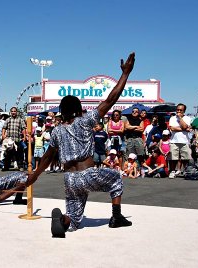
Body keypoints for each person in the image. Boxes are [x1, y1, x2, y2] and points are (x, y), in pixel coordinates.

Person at [25, 52, 135, 238]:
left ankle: (64, 221)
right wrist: (125, 74)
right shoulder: (85, 121)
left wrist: (34, 176)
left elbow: (47, 157)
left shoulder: (56, 131)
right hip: (88, 174)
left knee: (75, 218)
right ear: (78, 109)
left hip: (70, 179)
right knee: (116, 178)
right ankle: (116, 217)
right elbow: (110, 99)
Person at [168, 103, 192, 179]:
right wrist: (184, 129)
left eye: (180, 110)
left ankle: (185, 171)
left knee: (185, 158)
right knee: (173, 158)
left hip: (184, 141)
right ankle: (172, 171)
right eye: (177, 110)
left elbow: (185, 126)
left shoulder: (188, 118)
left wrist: (180, 119)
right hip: (174, 141)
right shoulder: (172, 118)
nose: (178, 111)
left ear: (184, 111)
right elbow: (172, 128)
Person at [2, 107, 27, 171]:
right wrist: (3, 135)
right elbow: (4, 128)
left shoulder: (20, 120)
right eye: (12, 111)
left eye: (14, 111)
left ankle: (20, 166)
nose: (13, 112)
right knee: (8, 154)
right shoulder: (8, 120)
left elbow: (24, 128)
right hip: (9, 140)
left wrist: (24, 136)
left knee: (19, 154)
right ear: (10, 112)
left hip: (17, 139)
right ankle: (6, 166)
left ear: (17, 112)